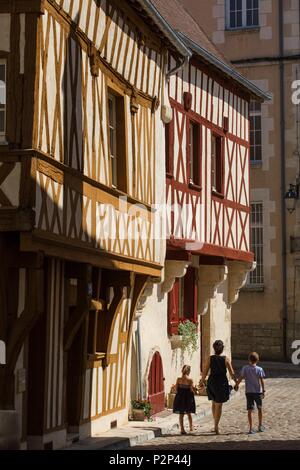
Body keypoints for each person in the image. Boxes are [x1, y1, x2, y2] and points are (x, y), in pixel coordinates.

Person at [199, 340, 237, 435]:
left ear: (214, 349)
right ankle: (216, 426)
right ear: (222, 348)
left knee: (214, 403)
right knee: (219, 405)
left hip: (212, 382)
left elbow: (205, 371)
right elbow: (232, 373)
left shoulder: (210, 358)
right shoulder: (226, 359)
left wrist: (202, 381)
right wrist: (236, 383)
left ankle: (215, 424)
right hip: (221, 382)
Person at [235, 352, 266, 434]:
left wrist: (236, 385)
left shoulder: (245, 368)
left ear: (249, 359)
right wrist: (263, 390)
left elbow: (241, 377)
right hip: (258, 392)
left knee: (250, 410)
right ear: (258, 360)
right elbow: (262, 380)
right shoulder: (259, 369)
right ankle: (260, 425)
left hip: (249, 392)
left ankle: (251, 428)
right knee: (259, 408)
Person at [173, 365, 196, 434]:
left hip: (180, 398)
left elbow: (176, 389)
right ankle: (191, 427)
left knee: (181, 414)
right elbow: (192, 390)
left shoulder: (178, 379)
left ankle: (182, 429)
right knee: (189, 413)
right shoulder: (190, 380)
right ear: (188, 371)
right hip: (188, 398)